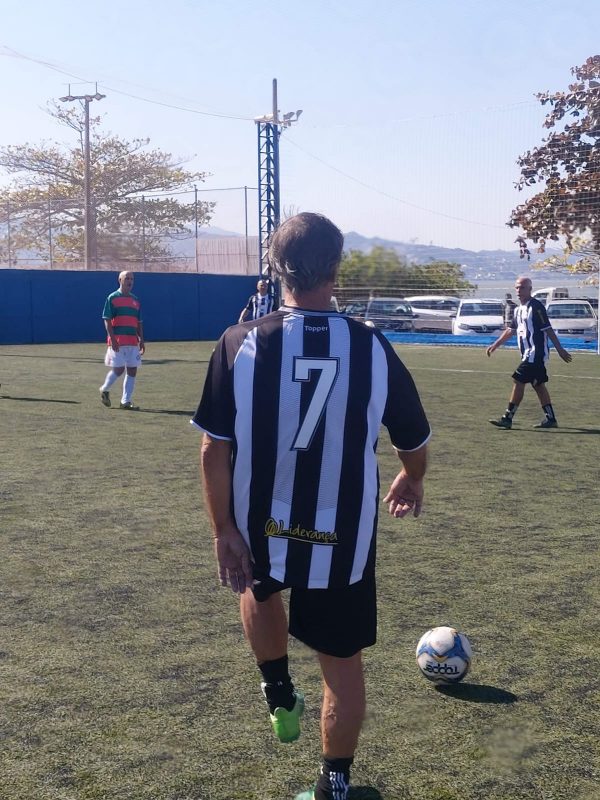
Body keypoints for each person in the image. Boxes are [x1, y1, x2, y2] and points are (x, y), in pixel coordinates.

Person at [192, 212, 431, 800]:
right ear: (336, 269)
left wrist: (223, 528)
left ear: (276, 269)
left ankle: (277, 690)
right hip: (342, 537)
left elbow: (212, 449)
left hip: (260, 522)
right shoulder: (371, 345)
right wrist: (411, 478)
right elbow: (414, 438)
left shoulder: (239, 341)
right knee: (342, 665)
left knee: (258, 585)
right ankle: (335, 785)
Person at [487, 276, 572, 429]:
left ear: (530, 289)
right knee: (538, 385)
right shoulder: (518, 310)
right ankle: (551, 419)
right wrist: (495, 344)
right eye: (517, 287)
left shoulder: (537, 306)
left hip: (536, 354)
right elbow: (510, 331)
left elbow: (548, 329)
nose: (519, 291)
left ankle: (507, 418)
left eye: (522, 287)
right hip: (527, 354)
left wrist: (560, 349)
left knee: (518, 380)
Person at [99, 271, 145, 410]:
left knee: (132, 371)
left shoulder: (135, 300)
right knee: (118, 370)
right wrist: (112, 339)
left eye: (132, 279)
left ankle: (125, 401)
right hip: (118, 341)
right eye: (127, 278)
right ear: (120, 280)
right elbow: (106, 319)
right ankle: (105, 389)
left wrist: (141, 340)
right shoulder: (112, 298)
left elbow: (139, 322)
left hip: (132, 342)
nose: (130, 281)